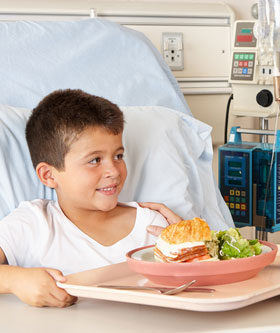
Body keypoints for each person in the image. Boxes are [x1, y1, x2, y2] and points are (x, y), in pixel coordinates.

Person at [0, 89, 181, 308]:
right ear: (48, 175)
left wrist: (193, 245)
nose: (113, 171)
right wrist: (15, 280)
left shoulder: (152, 226)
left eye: (118, 156)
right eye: (95, 160)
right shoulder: (32, 223)